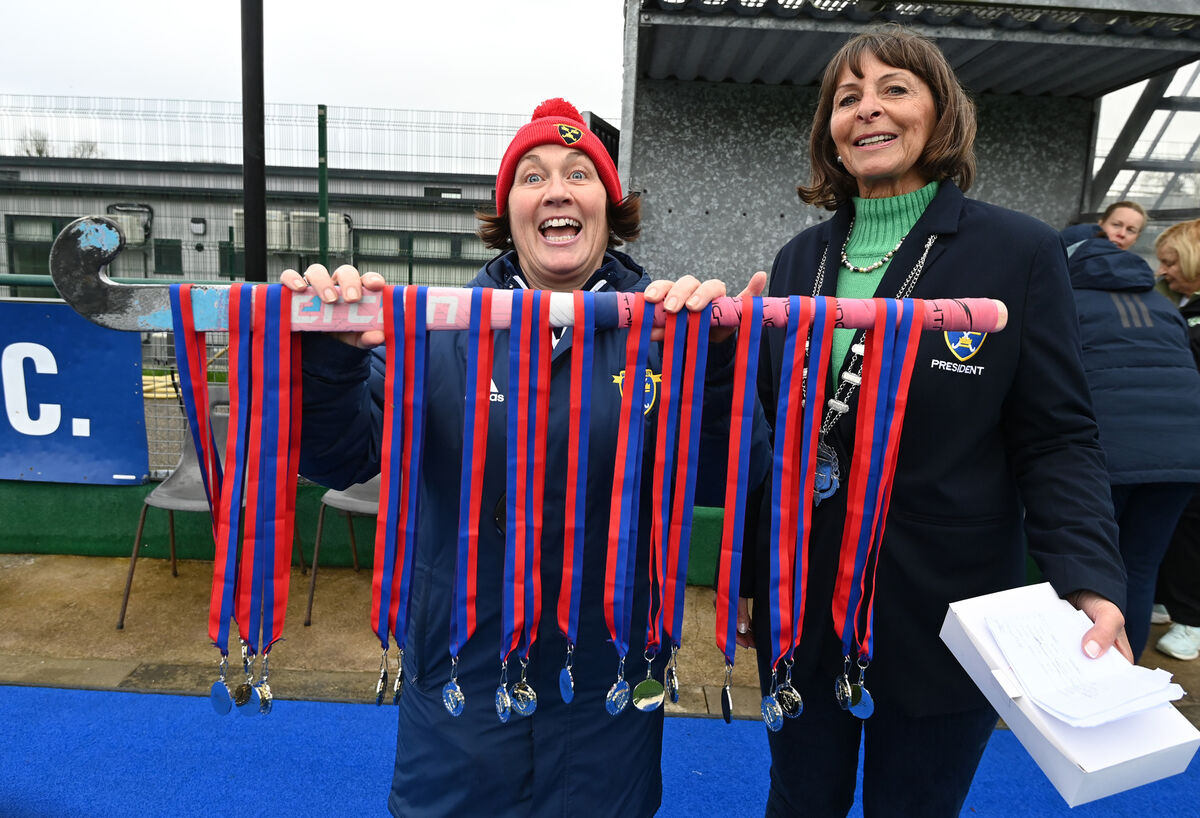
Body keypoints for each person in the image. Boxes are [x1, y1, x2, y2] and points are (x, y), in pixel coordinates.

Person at [281, 98, 770, 817]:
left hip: (605, 688)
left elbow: (736, 474)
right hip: (462, 685)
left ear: (609, 206)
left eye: (580, 173)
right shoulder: (437, 332)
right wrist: (327, 361)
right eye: (531, 176)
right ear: (508, 210)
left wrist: (719, 365)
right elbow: (337, 458)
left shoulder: (670, 332)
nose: (557, 190)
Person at [739, 28, 1131, 817]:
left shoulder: (1016, 251)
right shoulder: (796, 260)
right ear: (829, 133)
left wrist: (1087, 577)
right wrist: (756, 577)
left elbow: (1056, 434)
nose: (868, 110)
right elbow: (777, 438)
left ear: (940, 113)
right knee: (798, 801)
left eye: (894, 89)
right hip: (807, 603)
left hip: (945, 607)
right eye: (846, 98)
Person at [1060, 219, 1200, 658]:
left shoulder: (1065, 301)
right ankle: (1126, 673)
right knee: (1140, 568)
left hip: (1108, 454)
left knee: (1090, 573)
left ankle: (1079, 671)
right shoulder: (1163, 306)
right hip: (1185, 455)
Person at [1154, 219, 1200, 661]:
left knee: (1192, 533)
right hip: (1180, 433)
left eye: (1172, 262)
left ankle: (1193, 620)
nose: (1164, 270)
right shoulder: (1178, 302)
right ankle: (1170, 600)